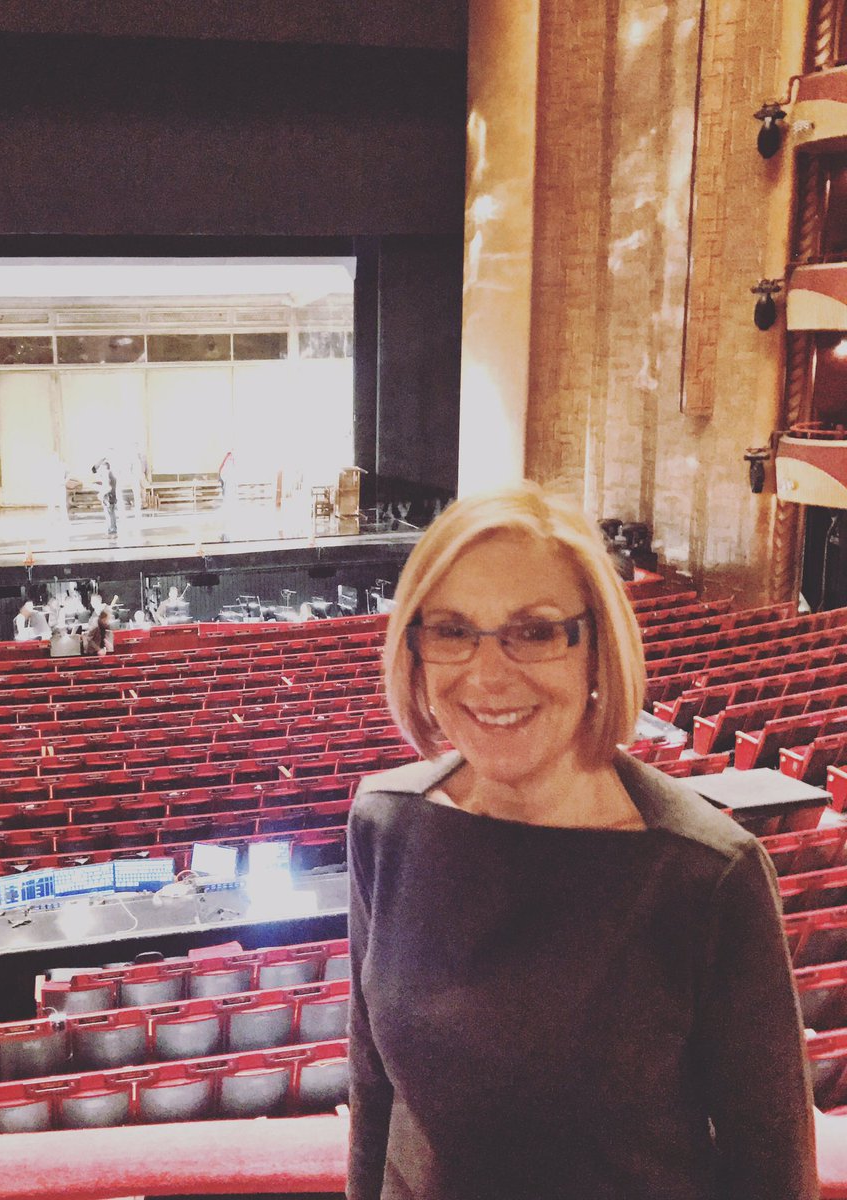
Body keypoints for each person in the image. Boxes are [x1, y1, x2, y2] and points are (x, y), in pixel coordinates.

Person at [348, 481, 816, 1200]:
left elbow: (772, 1173)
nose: (487, 673)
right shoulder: (386, 823)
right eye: (451, 630)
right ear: (415, 648)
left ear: (597, 647)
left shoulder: (705, 876)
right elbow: (375, 1096)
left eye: (535, 631)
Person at [92, 456, 118, 538]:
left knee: (109, 513)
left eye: (102, 467)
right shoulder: (111, 474)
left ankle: (111, 529)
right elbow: (94, 469)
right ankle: (113, 528)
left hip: (108, 495)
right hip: (112, 495)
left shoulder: (108, 475)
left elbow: (109, 487)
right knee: (112, 513)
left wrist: (101, 493)